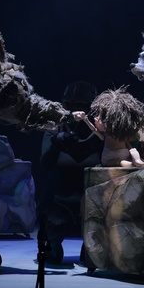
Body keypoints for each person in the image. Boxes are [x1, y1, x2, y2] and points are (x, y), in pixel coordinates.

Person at [39, 81, 103, 264]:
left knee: (92, 255)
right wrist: (56, 143)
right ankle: (53, 242)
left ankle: (89, 246)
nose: (77, 110)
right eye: (72, 105)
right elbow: (44, 163)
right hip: (60, 197)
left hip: (91, 198)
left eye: (81, 105)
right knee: (53, 243)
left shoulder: (98, 128)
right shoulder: (55, 126)